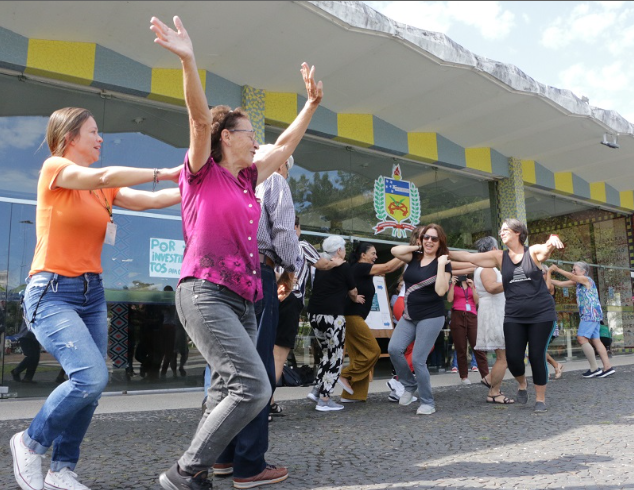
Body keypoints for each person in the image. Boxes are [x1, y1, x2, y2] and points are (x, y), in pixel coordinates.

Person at [150, 15, 323, 490]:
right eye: (248, 132)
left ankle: (206, 468)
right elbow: (199, 118)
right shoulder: (202, 170)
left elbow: (285, 143)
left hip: (244, 296)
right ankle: (184, 471)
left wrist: (311, 104)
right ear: (227, 137)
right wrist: (188, 60)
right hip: (205, 292)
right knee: (255, 385)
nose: (255, 139)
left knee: (230, 385)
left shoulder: (250, 179)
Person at [10, 103, 181, 490]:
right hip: (52, 291)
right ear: (69, 138)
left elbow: (151, 201)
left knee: (91, 388)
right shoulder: (56, 168)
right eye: (93, 132)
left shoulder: (104, 188)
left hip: (92, 292)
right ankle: (29, 441)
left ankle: (61, 470)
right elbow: (102, 173)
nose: (101, 138)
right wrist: (164, 171)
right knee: (91, 377)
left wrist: (188, 184)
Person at [213, 144, 302, 482]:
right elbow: (283, 231)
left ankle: (222, 456)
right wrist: (291, 267)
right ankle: (249, 463)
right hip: (257, 273)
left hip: (223, 273)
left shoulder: (228, 180)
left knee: (228, 367)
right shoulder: (274, 181)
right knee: (258, 367)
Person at [449, 219, 564, 413]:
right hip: (514, 315)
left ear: (518, 232)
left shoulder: (532, 251)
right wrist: (443, 250)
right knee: (513, 358)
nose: (501, 233)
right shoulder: (499, 257)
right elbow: (470, 258)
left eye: (505, 230)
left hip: (541, 314)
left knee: (536, 355)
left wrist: (552, 239)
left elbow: (545, 250)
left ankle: (540, 399)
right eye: (501, 230)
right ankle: (522, 383)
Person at [271, 215, 343, 414]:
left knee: (266, 352)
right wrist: (337, 261)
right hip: (290, 298)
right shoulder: (301, 245)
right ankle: (265, 404)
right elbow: (323, 265)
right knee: (278, 356)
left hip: (270, 299)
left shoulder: (272, 244)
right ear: (296, 227)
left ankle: (268, 400)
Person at [388, 223, 452, 415]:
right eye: (426, 237)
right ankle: (409, 385)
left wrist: (441, 265)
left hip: (431, 317)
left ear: (440, 242)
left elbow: (441, 290)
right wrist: (417, 247)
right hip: (410, 315)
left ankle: (428, 402)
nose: (429, 241)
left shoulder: (443, 263)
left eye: (434, 238)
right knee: (393, 349)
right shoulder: (414, 257)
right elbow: (394, 250)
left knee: (418, 360)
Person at [339, 242, 403, 403]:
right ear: (363, 255)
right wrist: (406, 255)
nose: (375, 256)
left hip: (354, 316)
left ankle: (352, 395)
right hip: (352, 316)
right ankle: (345, 375)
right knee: (373, 351)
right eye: (373, 253)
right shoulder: (360, 267)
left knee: (359, 355)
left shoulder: (360, 270)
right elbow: (388, 267)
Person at [305, 235, 364, 411]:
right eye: (344, 248)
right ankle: (325, 398)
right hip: (332, 316)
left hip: (315, 314)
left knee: (326, 353)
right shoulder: (344, 266)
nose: (345, 252)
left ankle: (317, 390)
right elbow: (352, 290)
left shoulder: (321, 264)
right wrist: (355, 297)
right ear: (339, 250)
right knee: (336, 355)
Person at [549, 261, 615, 378]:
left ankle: (594, 368)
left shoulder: (586, 279)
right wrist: (546, 278)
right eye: (572, 269)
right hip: (593, 314)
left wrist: (558, 270)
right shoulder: (578, 282)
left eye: (575, 269)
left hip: (590, 314)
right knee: (596, 340)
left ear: (583, 271)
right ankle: (607, 367)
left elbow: (572, 277)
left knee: (581, 338)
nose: (572, 272)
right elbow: (560, 283)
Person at [471, 236, 515, 404]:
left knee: (503, 354)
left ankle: (490, 379)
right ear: (492, 249)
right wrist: (512, 281)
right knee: (503, 356)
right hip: (494, 313)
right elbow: (491, 287)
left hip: (493, 311)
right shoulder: (486, 266)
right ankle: (494, 392)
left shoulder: (483, 266)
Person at [447, 273, 490, 385]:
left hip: (471, 315)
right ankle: (464, 376)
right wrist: (452, 284)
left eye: (465, 273)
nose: (463, 275)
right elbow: (450, 299)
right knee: (461, 347)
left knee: (477, 346)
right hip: (457, 314)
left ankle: (486, 375)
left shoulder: (473, 284)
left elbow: (476, 301)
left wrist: (472, 287)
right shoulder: (454, 285)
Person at [543, 266, 564, 379]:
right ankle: (556, 365)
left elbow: (547, 288)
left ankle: (546, 370)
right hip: (539, 321)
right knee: (538, 348)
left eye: (543, 273)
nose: (540, 275)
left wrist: (550, 272)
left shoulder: (549, 285)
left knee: (538, 348)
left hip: (548, 321)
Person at [11, 306, 41, 384]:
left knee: (35, 357)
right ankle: (16, 371)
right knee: (31, 356)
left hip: (33, 337)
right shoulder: (31, 311)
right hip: (26, 336)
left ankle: (28, 378)